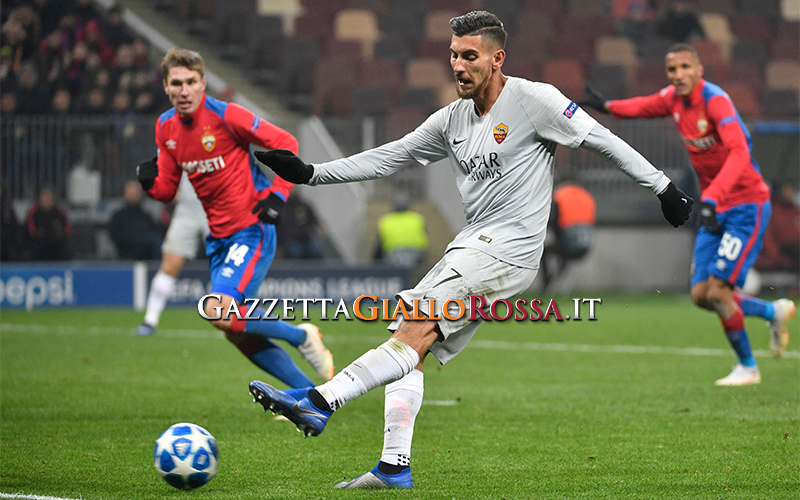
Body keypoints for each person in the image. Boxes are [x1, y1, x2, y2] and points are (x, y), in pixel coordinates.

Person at [247, 11, 693, 489]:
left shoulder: (534, 100)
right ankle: (393, 466)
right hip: (475, 245)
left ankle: (318, 403)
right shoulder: (452, 118)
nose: (458, 65)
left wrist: (664, 187)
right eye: (454, 55)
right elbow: (390, 155)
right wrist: (311, 173)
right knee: (410, 337)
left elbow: (602, 140)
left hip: (510, 250)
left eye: (470, 56)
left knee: (415, 323)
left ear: (497, 58)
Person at [580, 43, 796, 385]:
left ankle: (748, 367)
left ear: (699, 70)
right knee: (700, 295)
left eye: (684, 67)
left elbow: (740, 152)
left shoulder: (715, 101)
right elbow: (644, 106)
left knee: (718, 292)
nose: (678, 75)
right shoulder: (672, 99)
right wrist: (607, 106)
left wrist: (712, 196)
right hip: (714, 206)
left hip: (744, 206)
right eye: (671, 69)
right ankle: (773, 312)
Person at [136, 48, 333, 389]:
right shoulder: (165, 127)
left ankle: (300, 335)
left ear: (202, 84)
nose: (184, 91)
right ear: (166, 87)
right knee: (234, 330)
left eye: (191, 82)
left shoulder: (226, 116)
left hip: (251, 229)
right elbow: (168, 190)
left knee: (219, 311)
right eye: (176, 83)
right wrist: (149, 183)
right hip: (219, 239)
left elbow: (286, 141)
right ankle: (310, 398)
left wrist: (278, 194)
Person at [136, 172, 209, 336]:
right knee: (169, 265)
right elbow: (166, 167)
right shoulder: (172, 145)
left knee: (229, 263)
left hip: (216, 204)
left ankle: (240, 316)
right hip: (186, 209)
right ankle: (150, 320)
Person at [541, 175, 596, 289]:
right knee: (563, 258)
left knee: (545, 252)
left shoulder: (559, 194)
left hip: (567, 243)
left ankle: (547, 284)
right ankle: (556, 282)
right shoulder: (587, 196)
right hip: (586, 246)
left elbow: (553, 221)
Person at [109, 180, 164, 260]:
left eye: (135, 193)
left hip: (147, 259)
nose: (133, 195)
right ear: (125, 194)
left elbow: (155, 234)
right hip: (125, 258)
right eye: (130, 193)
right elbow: (115, 237)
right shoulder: (118, 217)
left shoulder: (146, 216)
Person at [373, 195, 429, 269]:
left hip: (393, 253)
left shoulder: (386, 220)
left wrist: (374, 261)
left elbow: (379, 245)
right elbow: (425, 236)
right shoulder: (417, 218)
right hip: (416, 252)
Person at [26, 187, 71, 261]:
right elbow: (31, 231)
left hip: (56, 244)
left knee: (64, 248)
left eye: (49, 198)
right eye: (44, 198)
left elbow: (67, 230)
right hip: (39, 243)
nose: (47, 200)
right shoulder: (34, 213)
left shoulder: (59, 213)